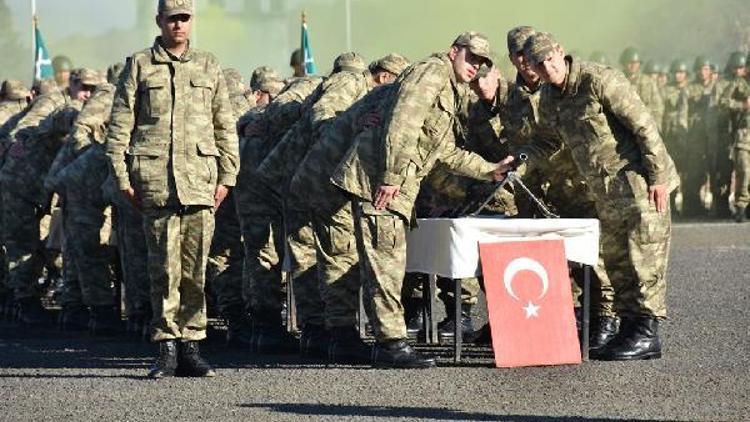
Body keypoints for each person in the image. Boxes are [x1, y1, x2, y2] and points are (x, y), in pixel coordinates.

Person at [329, 31, 511, 368]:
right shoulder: (432, 73)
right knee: (386, 263)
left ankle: (388, 340)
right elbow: (402, 125)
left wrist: (489, 170)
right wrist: (390, 177)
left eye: (482, 63)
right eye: (471, 58)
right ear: (453, 51)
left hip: (394, 184)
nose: (475, 67)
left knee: (389, 261)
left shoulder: (447, 87)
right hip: (382, 183)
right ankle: (391, 345)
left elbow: (444, 151)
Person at [519, 32, 679, 360]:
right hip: (605, 191)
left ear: (561, 52)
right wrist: (518, 159)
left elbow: (644, 126)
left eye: (550, 59)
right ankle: (629, 329)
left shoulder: (598, 80)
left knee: (643, 256)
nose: (548, 67)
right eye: (540, 64)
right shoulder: (550, 97)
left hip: (638, 183)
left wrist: (658, 177)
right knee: (619, 261)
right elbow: (547, 141)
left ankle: (647, 333)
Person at [105, 0, 239, 378]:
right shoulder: (140, 65)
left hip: (198, 179)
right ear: (159, 21)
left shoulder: (208, 64)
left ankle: (191, 344)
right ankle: (166, 345)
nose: (178, 25)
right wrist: (122, 177)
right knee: (163, 266)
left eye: (184, 18)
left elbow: (224, 124)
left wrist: (228, 176)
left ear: (191, 21)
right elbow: (119, 127)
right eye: (171, 19)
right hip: (156, 180)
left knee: (196, 267)